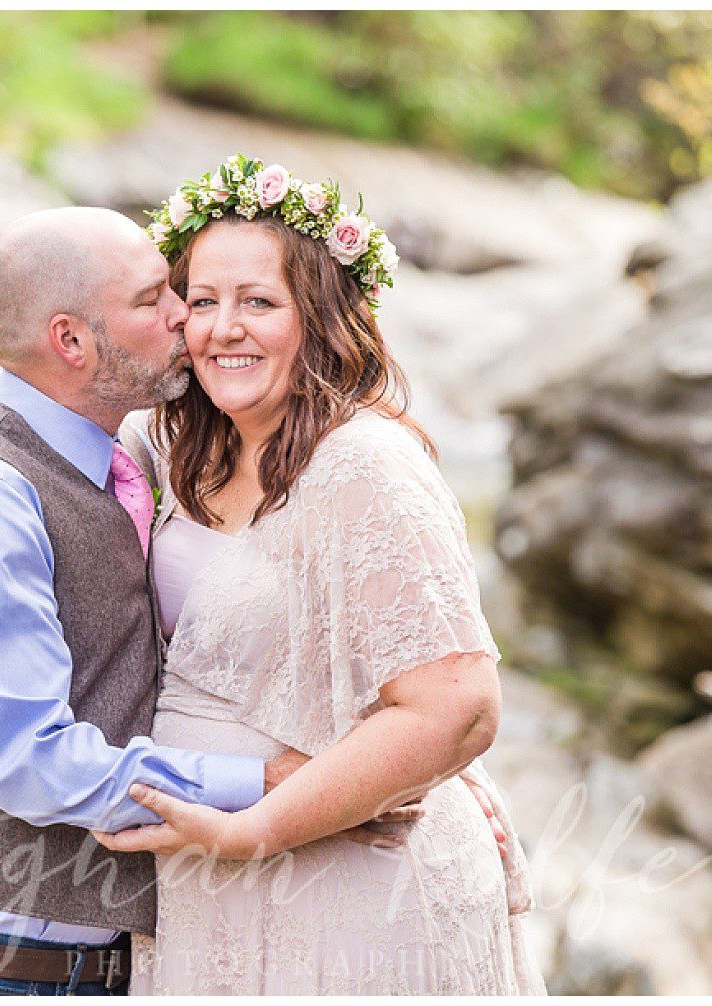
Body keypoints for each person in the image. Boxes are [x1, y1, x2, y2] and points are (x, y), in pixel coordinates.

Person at [0, 206, 420, 996]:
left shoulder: (129, 454)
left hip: (108, 962)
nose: (184, 318)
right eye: (156, 298)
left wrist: (432, 751)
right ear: (72, 341)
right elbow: (26, 758)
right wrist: (269, 783)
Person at [95, 157, 546, 994]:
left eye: (259, 302)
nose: (223, 329)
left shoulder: (368, 467)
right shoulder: (165, 447)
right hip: (207, 887)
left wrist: (253, 830)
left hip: (355, 897)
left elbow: (459, 706)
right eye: (202, 302)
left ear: (321, 317)